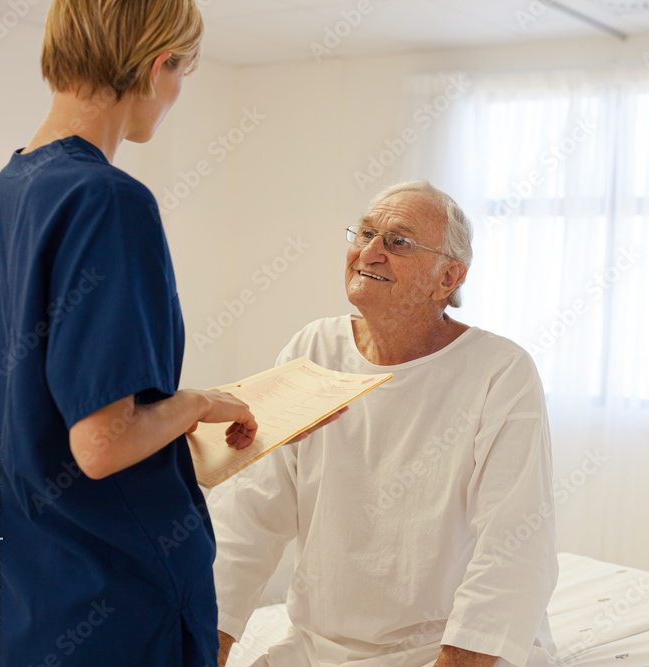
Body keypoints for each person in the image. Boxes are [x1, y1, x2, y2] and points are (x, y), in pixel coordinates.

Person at [0, 1, 320, 664]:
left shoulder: (11, 189)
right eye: (184, 69)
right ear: (160, 65)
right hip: (113, 599)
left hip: (17, 595)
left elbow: (28, 410)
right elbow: (101, 444)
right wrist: (194, 405)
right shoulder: (108, 200)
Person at [210, 181, 559, 667]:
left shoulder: (500, 371)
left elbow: (516, 543)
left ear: (447, 278)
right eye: (366, 233)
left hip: (447, 650)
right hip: (318, 650)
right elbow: (248, 515)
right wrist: (211, 643)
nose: (369, 253)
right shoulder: (313, 350)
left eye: (399, 242)